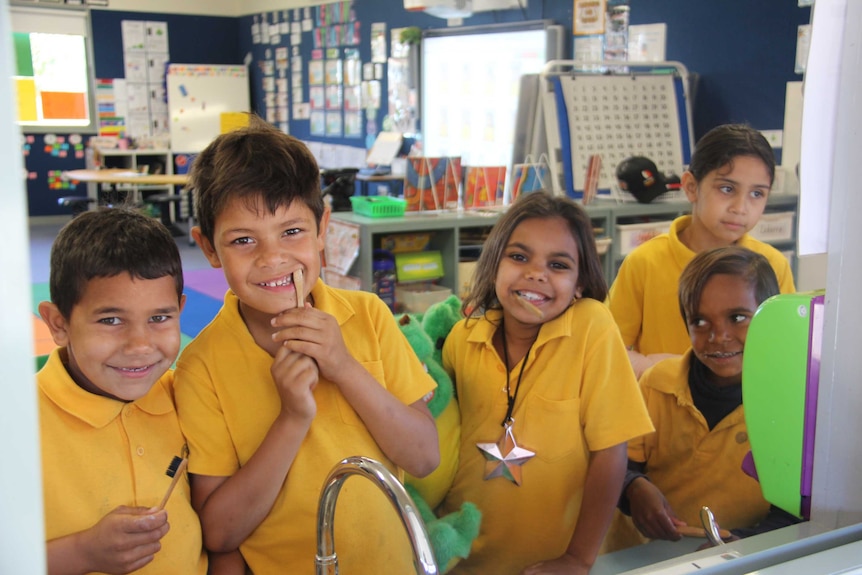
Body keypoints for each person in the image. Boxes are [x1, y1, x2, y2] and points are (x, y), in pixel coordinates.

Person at [173, 116, 439, 575]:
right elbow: (218, 532)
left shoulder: (371, 316)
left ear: (323, 230)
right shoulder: (201, 366)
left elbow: (424, 456)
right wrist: (293, 417)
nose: (272, 258)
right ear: (209, 249)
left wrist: (345, 367)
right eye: (242, 240)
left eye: (292, 231)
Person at [438, 191, 654, 575]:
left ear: (579, 286)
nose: (536, 273)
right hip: (471, 559)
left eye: (558, 264)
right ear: (493, 265)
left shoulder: (592, 326)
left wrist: (578, 558)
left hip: (567, 562)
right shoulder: (462, 338)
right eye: (519, 257)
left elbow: (611, 452)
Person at [36, 208, 207, 575]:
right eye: (111, 320)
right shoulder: (18, 422)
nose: (139, 345)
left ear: (180, 310)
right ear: (58, 323)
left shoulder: (187, 395)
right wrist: (82, 553)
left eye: (159, 318)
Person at [620, 246, 793, 545]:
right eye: (700, 322)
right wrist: (633, 487)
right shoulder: (657, 384)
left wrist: (746, 543)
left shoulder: (793, 403)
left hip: (747, 556)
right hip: (649, 555)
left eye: (737, 317)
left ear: (769, 316)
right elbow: (619, 465)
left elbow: (795, 512)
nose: (718, 336)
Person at [608, 124, 796, 378]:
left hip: (740, 413)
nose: (741, 207)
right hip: (662, 411)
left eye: (756, 193)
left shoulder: (773, 265)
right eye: (727, 189)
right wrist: (657, 368)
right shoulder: (644, 262)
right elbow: (607, 347)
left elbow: (784, 353)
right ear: (691, 187)